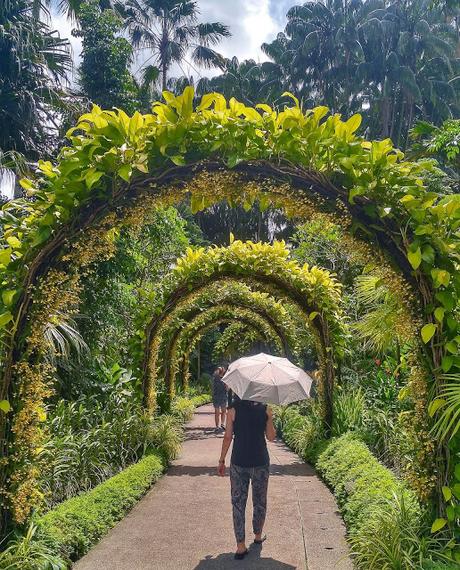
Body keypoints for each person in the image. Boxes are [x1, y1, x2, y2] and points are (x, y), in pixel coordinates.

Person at [217, 397, 276, 560]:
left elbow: (228, 437)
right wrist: (269, 417)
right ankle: (258, 535)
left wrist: (221, 460)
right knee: (260, 501)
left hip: (238, 462)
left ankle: (240, 546)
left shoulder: (232, 410)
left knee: (238, 504)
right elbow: (271, 437)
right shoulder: (264, 409)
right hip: (260, 463)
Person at [212, 365, 227, 433]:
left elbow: (212, 388)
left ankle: (217, 426)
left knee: (217, 412)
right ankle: (222, 424)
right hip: (222, 397)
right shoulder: (225, 379)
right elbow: (227, 388)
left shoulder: (214, 378)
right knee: (223, 411)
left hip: (216, 397)